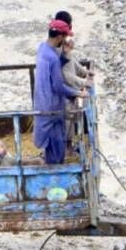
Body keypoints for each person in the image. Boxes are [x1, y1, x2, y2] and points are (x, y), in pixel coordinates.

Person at [33, 19, 85, 164]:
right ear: (60, 37)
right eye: (65, 36)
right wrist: (77, 92)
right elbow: (58, 86)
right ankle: (55, 176)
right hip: (53, 108)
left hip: (41, 104)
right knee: (57, 150)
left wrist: (64, 55)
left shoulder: (42, 49)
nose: (66, 39)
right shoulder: (52, 58)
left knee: (49, 145)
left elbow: (52, 73)